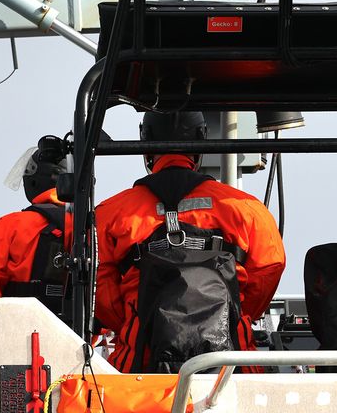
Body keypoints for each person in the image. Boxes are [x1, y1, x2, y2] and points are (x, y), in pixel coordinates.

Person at [94, 111, 286, 373]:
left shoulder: (109, 213)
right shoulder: (247, 209)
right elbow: (269, 268)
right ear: (201, 140)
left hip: (140, 364)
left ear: (145, 141)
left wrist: (133, 321)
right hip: (233, 365)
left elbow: (98, 286)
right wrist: (235, 312)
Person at [0, 135, 71, 314]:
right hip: (77, 338)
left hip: (17, 335)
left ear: (33, 180)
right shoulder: (91, 230)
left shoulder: (7, 227)